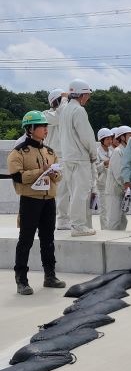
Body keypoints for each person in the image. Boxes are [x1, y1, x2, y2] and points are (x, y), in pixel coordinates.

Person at [8, 111, 66, 295]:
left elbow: (59, 176)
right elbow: (17, 177)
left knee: (48, 240)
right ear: (30, 129)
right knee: (25, 241)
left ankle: (50, 276)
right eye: (42, 126)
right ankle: (21, 280)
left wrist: (53, 173)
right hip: (30, 201)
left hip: (49, 201)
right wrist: (39, 171)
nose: (45, 130)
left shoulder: (49, 152)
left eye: (46, 126)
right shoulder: (19, 153)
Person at [60, 79, 97, 237]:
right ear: (82, 94)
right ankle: (78, 226)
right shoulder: (79, 111)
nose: (87, 98)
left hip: (67, 157)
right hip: (80, 157)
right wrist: (93, 154)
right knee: (80, 193)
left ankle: (75, 224)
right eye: (87, 95)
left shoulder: (65, 110)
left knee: (73, 192)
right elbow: (87, 136)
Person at [43, 88, 71, 230]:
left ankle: (64, 219)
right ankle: (61, 220)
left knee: (66, 190)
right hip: (52, 157)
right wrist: (65, 99)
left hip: (66, 156)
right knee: (60, 190)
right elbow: (60, 116)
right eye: (61, 100)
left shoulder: (65, 112)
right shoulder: (46, 115)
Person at [105, 126, 131, 230]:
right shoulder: (118, 152)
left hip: (122, 191)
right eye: (129, 135)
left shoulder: (127, 152)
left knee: (122, 221)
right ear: (122, 137)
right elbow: (119, 175)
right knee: (114, 220)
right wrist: (128, 185)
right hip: (114, 192)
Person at [96, 127, 114, 230]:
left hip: (111, 184)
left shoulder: (112, 152)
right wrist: (104, 164)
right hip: (102, 185)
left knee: (111, 208)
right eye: (107, 139)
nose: (110, 141)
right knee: (104, 209)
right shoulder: (97, 152)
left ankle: (111, 228)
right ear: (101, 140)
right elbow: (95, 169)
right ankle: (105, 229)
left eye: (110, 139)